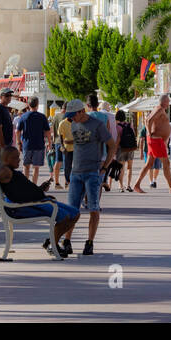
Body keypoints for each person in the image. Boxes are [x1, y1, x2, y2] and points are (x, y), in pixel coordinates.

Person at [0, 146, 80, 259]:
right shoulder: (6, 171)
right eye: (15, 158)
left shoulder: (11, 172)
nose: (19, 159)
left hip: (38, 201)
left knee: (75, 214)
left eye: (18, 157)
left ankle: (50, 241)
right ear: (6, 159)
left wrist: (40, 190)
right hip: (24, 207)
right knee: (65, 217)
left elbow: (25, 191)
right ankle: (53, 245)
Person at [61, 98, 117, 257]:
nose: (72, 118)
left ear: (82, 111)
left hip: (93, 172)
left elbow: (112, 145)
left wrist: (104, 167)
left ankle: (90, 242)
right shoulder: (73, 123)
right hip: (76, 172)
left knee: (93, 207)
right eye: (70, 116)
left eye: (74, 115)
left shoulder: (97, 125)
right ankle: (67, 242)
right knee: (71, 210)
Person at [134, 95, 171, 194]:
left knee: (149, 164)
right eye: (168, 102)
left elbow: (149, 120)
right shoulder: (159, 109)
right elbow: (148, 120)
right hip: (156, 140)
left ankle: (137, 185)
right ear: (164, 101)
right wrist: (149, 133)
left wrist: (150, 134)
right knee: (166, 163)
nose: (168, 104)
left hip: (155, 140)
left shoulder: (159, 109)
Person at [15, 97, 53, 184]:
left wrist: (18, 143)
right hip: (39, 145)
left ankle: (26, 185)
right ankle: (34, 186)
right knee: (36, 167)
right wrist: (50, 143)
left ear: (28, 105)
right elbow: (47, 131)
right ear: (37, 105)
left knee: (26, 166)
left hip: (26, 145)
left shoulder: (23, 117)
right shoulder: (42, 117)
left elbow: (17, 131)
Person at [115, 109, 138, 191]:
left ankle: (121, 186)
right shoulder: (129, 125)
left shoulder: (117, 126)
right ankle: (128, 185)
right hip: (130, 148)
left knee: (121, 168)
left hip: (121, 149)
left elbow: (117, 139)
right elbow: (134, 135)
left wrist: (114, 150)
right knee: (129, 167)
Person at [56, 109, 75, 190]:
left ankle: (73, 182)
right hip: (67, 149)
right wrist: (62, 147)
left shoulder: (76, 123)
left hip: (76, 148)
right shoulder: (62, 123)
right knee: (67, 167)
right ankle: (68, 182)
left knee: (76, 167)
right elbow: (60, 137)